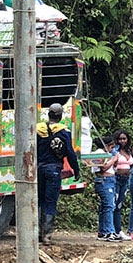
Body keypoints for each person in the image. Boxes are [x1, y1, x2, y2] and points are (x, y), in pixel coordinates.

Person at [36, 103, 78, 244]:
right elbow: (70, 153)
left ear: (48, 115)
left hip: (39, 169)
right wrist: (76, 170)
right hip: (54, 170)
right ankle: (46, 236)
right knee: (51, 202)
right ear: (60, 116)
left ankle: (37, 233)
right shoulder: (63, 132)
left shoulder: (38, 130)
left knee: (40, 201)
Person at [90, 136, 121, 242]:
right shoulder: (98, 153)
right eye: (111, 147)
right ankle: (109, 231)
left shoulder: (106, 154)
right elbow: (103, 167)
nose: (112, 149)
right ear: (107, 146)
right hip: (104, 180)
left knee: (105, 207)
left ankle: (103, 231)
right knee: (109, 206)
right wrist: (114, 159)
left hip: (109, 180)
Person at [111, 130, 133, 239]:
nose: (122, 141)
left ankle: (118, 230)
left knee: (119, 204)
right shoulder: (115, 151)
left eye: (124, 138)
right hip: (116, 179)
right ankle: (114, 229)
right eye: (120, 139)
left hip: (126, 179)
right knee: (114, 204)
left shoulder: (129, 151)